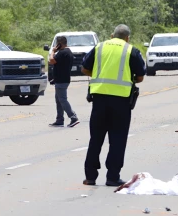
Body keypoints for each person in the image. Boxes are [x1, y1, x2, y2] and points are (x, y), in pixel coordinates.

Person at [81, 24, 146, 187]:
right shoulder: (131, 50)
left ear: (112, 35)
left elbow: (85, 68)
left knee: (96, 139)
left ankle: (90, 177)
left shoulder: (99, 47)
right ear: (127, 38)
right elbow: (140, 77)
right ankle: (112, 177)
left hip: (99, 100)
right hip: (121, 101)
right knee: (117, 140)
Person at [48, 36, 80, 128]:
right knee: (58, 100)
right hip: (63, 79)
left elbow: (52, 60)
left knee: (62, 99)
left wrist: (53, 51)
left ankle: (73, 117)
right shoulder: (68, 52)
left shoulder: (62, 53)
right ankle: (59, 120)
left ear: (59, 44)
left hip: (61, 80)